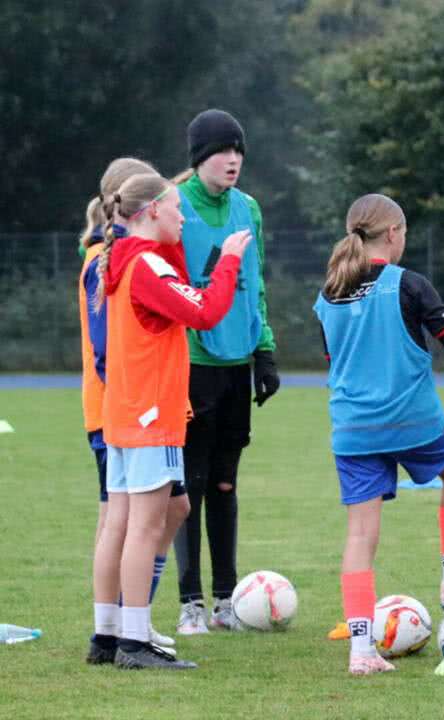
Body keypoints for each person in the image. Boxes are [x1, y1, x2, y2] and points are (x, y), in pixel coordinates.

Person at [313, 193, 444, 675]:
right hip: (410, 420)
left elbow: (336, 363)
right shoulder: (409, 284)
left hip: (352, 428)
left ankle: (361, 651)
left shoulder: (328, 291)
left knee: (360, 536)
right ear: (393, 234)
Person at [95, 173, 250, 669]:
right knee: (144, 527)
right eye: (176, 208)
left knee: (124, 525)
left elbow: (179, 295)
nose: (183, 217)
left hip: (124, 413)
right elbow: (205, 311)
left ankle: (107, 634)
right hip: (150, 416)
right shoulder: (145, 266)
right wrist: (228, 260)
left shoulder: (126, 260)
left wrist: (181, 244)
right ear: (151, 212)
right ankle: (134, 644)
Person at [173, 109, 280, 635]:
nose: (233, 159)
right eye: (222, 150)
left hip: (238, 363)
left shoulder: (249, 209)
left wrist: (265, 350)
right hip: (191, 364)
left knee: (224, 483)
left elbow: (255, 284)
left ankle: (225, 600)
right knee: (188, 483)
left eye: (238, 150)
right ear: (199, 158)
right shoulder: (173, 206)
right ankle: (189, 602)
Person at [80, 159, 184, 658]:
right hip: (126, 411)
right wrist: (134, 402)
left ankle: (121, 628)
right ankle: (127, 632)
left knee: (152, 513)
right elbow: (110, 349)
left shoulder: (119, 256)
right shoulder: (113, 262)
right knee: (126, 522)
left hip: (123, 409)